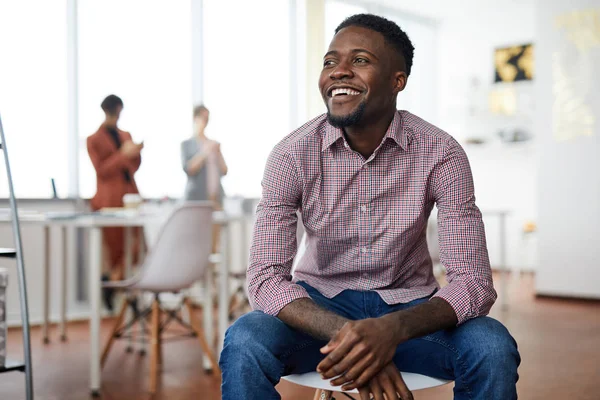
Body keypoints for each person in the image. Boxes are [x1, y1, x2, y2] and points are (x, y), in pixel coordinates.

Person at [220, 14, 520, 400]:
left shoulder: (440, 152)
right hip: (318, 313)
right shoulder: (291, 154)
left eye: (359, 60)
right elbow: (265, 279)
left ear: (398, 81)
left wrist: (391, 330)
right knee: (245, 339)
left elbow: (474, 283)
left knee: (491, 346)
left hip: (411, 314)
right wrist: (356, 339)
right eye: (330, 61)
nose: (339, 72)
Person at [87, 94, 143, 310]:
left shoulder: (125, 134)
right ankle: (118, 287)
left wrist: (135, 153)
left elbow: (133, 166)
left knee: (136, 247)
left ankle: (114, 283)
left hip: (131, 197)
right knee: (116, 249)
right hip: (109, 200)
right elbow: (101, 170)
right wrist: (122, 154)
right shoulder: (94, 139)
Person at [180, 105, 228, 206]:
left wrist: (218, 153)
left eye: (207, 118)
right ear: (195, 118)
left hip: (216, 198)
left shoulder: (213, 144)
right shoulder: (187, 144)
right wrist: (205, 152)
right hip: (196, 199)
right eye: (203, 117)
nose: (205, 121)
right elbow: (189, 169)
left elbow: (224, 171)